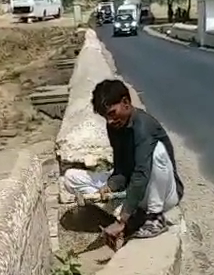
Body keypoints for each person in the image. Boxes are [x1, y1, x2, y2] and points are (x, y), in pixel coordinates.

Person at [61, 78, 184, 250]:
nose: (110, 121)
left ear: (126, 102)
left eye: (112, 113)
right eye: (106, 117)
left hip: (161, 192)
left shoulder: (144, 126)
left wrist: (121, 219)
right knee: (71, 178)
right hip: (134, 188)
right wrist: (110, 186)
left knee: (157, 152)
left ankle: (154, 218)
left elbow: (141, 174)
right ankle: (132, 217)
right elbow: (121, 168)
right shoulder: (114, 127)